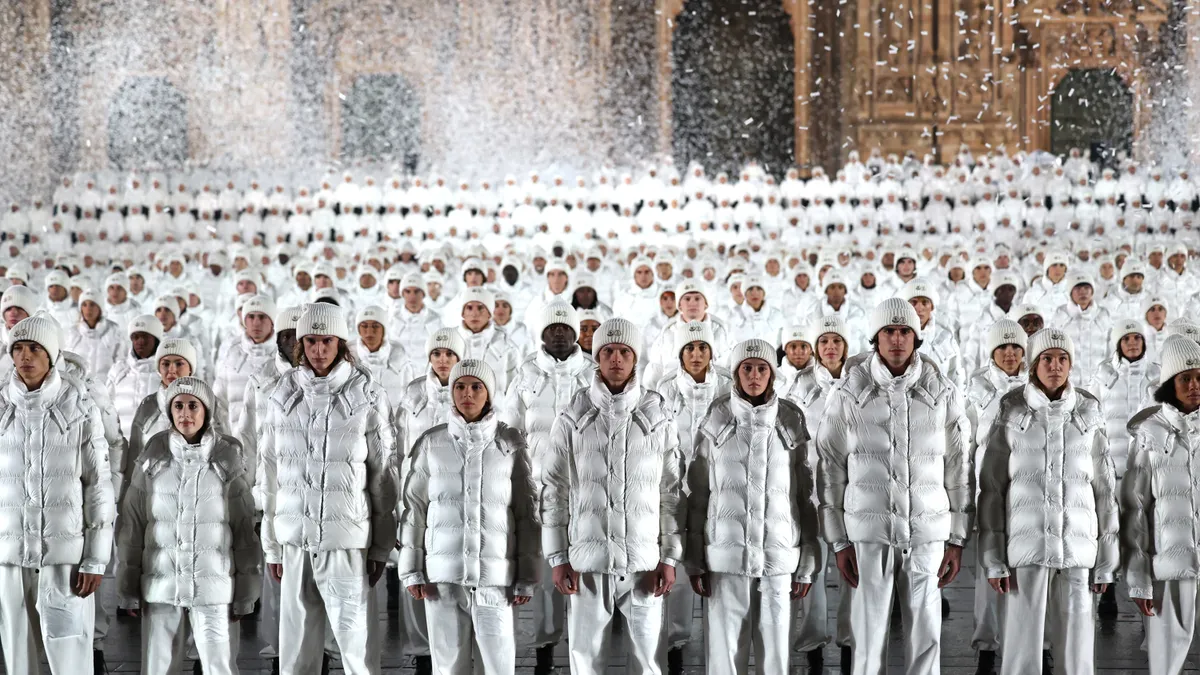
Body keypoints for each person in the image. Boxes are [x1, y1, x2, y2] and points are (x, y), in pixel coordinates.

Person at [816, 298, 970, 675]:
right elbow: (830, 467)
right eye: (889, 332)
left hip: (927, 530)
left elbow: (958, 467)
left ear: (916, 338)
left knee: (926, 630)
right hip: (869, 532)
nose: (897, 340)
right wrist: (838, 540)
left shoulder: (942, 391)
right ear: (875, 338)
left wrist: (957, 538)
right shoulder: (849, 392)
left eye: (905, 332)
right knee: (868, 632)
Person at [258, 303, 399, 675]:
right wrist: (271, 544)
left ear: (340, 343)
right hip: (294, 540)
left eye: (327, 341)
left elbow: (383, 477)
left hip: (346, 542)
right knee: (296, 648)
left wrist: (382, 545)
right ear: (300, 344)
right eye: (311, 341)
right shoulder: (281, 394)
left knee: (355, 647)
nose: (319, 350)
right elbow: (269, 472)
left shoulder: (367, 394)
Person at [540, 317, 684, 675]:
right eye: (607, 351)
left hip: (643, 562)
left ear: (635, 358)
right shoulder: (574, 413)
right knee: (585, 658)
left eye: (623, 351)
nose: (616, 359)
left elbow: (671, 491)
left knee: (648, 659)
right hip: (588, 561)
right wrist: (558, 556)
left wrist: (669, 556)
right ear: (597, 357)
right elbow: (554, 488)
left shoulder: (657, 412)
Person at [979, 328, 1118, 675]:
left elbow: (1104, 490)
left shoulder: (1088, 411)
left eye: (1062, 358)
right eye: (1046, 358)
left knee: (1077, 648)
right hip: (1026, 548)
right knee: (1022, 646)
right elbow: (992, 488)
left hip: (1078, 548)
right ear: (1033, 364)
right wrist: (993, 557)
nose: (1054, 365)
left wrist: (1106, 561)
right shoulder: (1011, 410)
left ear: (1070, 364)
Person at [687, 338, 821, 674]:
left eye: (762, 368)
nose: (754, 375)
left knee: (775, 656)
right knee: (724, 655)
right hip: (725, 557)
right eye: (746, 368)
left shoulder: (790, 418)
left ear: (772, 374)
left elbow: (804, 495)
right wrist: (694, 557)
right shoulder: (717, 415)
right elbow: (699, 492)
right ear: (735, 374)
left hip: (778, 556)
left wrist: (807, 560)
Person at [399, 360, 538, 675]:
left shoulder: (510, 443)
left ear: (489, 393)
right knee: (448, 665)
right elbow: (414, 510)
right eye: (460, 386)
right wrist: (412, 571)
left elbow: (526, 513)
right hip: (443, 579)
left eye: (476, 387)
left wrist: (527, 576)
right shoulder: (431, 443)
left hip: (495, 579)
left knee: (499, 664)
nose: (467, 394)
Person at [118, 377, 261, 675]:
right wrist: (127, 587)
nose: (185, 413)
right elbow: (134, 527)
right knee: (158, 666)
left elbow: (244, 531)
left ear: (206, 412)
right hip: (160, 584)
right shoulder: (152, 459)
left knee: (218, 664)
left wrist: (246, 592)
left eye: (193, 406)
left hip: (213, 585)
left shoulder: (227, 459)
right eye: (178, 406)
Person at [0, 315, 115, 675]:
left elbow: (99, 485)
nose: (25, 357)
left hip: (64, 554)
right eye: (17, 349)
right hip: (9, 553)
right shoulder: (2, 406)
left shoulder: (79, 407)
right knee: (18, 652)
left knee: (69, 649)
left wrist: (96, 559)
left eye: (34, 348)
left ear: (52, 355)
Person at [501, 301, 592, 675]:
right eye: (552, 327)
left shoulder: (592, 370)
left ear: (575, 333)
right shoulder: (526, 372)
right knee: (545, 573)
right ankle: (544, 648)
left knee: (586, 570)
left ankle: (586, 652)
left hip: (587, 488)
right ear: (542, 332)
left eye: (565, 328)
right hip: (540, 487)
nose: (558, 333)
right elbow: (510, 428)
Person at [654, 320, 732, 673]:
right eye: (690, 348)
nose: (697, 354)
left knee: (713, 567)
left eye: (702, 348)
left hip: (717, 489)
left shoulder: (728, 386)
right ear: (680, 352)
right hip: (677, 485)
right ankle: (675, 640)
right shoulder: (664, 389)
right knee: (678, 565)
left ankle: (718, 645)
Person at [1122, 336, 1200, 675]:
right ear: (1169, 384)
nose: (1194, 386)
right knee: (1166, 659)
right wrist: (1138, 578)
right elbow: (1134, 509)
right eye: (1185, 378)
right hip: (1171, 561)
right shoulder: (1149, 433)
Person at [780, 314, 853, 669]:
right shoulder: (798, 385)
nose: (830, 347)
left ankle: (851, 637)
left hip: (852, 488)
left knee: (852, 565)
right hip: (812, 488)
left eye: (836, 341)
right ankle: (811, 640)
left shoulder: (861, 378)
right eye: (823, 342)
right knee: (812, 563)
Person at [963, 319, 1028, 674]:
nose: (1010, 353)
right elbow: (966, 441)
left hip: (1024, 488)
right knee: (988, 563)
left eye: (1016, 347)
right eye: (1003, 347)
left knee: (1024, 567)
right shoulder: (976, 389)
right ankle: (987, 642)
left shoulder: (1034, 387)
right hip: (989, 487)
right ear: (992, 351)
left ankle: (1032, 639)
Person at [214, 294, 277, 431]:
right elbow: (219, 400)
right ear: (244, 320)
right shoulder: (232, 353)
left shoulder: (281, 356)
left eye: (262, 317)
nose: (256, 323)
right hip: (237, 442)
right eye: (251, 317)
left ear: (272, 321)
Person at [106, 314, 164, 440]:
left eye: (145, 336)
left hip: (156, 447)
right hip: (123, 445)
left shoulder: (166, 373)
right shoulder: (118, 371)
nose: (140, 341)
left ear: (156, 340)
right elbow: (106, 410)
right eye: (135, 337)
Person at [350, 305, 413, 394]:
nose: (370, 331)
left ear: (384, 329)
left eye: (375, 326)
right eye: (364, 326)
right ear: (358, 329)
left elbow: (409, 392)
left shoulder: (399, 354)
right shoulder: (347, 355)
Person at [67, 289, 124, 376]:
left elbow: (120, 361)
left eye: (92, 304)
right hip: (80, 386)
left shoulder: (113, 330)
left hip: (106, 386)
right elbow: (68, 363)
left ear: (100, 307)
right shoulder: (73, 332)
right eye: (84, 305)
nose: (88, 309)